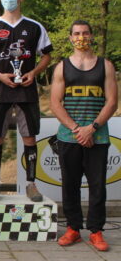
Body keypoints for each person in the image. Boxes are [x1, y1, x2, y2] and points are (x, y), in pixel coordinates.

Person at [0, 0, 52, 202]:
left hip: (27, 91)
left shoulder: (35, 27)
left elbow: (47, 55)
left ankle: (31, 184)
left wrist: (34, 73)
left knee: (30, 137)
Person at [51, 20, 117, 251]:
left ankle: (96, 231)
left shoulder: (105, 66)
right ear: (70, 37)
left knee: (98, 186)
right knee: (70, 185)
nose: (81, 37)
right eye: (77, 33)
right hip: (69, 137)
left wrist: (93, 127)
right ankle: (73, 229)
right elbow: (55, 103)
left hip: (98, 136)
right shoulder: (62, 67)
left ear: (92, 36)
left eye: (85, 33)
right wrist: (78, 129)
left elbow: (112, 101)